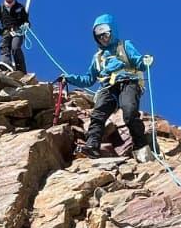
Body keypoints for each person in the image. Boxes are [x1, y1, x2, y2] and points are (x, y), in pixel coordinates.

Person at [61, 13, 155, 163]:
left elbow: (138, 62)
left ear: (112, 31)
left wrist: (145, 62)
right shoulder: (97, 58)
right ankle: (92, 146)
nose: (103, 38)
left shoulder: (124, 46)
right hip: (108, 87)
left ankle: (141, 147)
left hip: (128, 82)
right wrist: (70, 78)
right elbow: (88, 79)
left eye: (105, 33)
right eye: (99, 36)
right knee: (98, 114)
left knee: (129, 113)